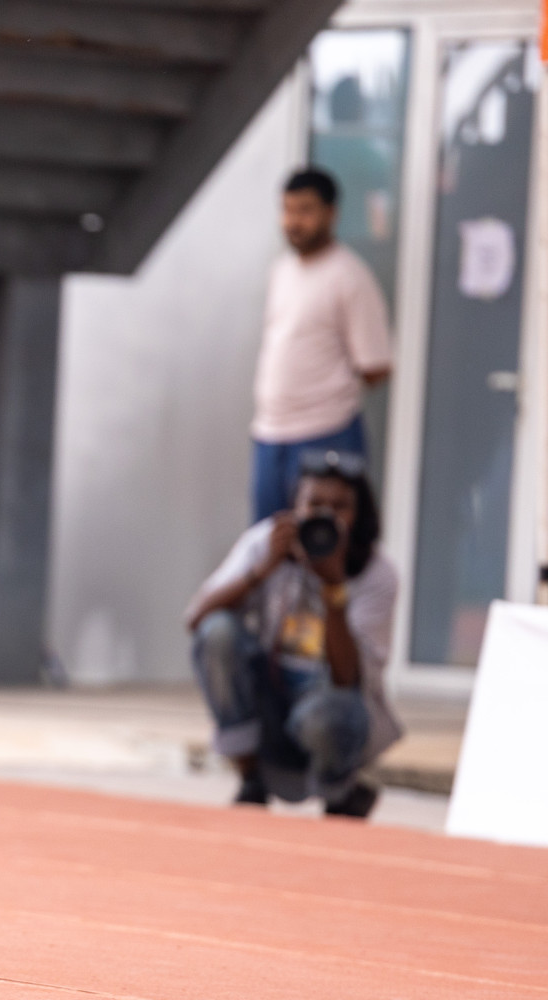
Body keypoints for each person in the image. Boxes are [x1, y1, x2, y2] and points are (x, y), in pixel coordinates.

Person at [185, 450, 402, 818]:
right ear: (294, 507)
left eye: (340, 506)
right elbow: (196, 619)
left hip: (329, 705)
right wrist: (263, 568)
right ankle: (250, 780)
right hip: (272, 696)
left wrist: (333, 586)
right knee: (218, 632)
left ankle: (339, 792)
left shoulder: (377, 572)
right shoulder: (268, 542)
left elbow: (347, 679)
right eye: (314, 503)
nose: (326, 517)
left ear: (360, 514)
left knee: (333, 712)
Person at [251, 168, 392, 522]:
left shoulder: (349, 276)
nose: (293, 221)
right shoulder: (282, 269)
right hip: (270, 432)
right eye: (287, 210)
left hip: (325, 434)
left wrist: (323, 393)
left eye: (305, 210)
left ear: (332, 213)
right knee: (270, 545)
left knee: (322, 547)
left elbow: (375, 366)